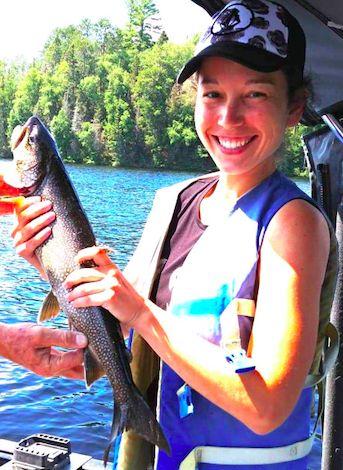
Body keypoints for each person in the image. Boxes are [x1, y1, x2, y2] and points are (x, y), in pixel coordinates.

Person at [11, 0, 338, 469]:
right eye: (212, 94)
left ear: (294, 109)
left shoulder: (294, 223)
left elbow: (268, 408)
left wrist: (139, 311)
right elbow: (119, 327)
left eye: (256, 94)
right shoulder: (175, 201)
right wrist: (49, 263)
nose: (229, 117)